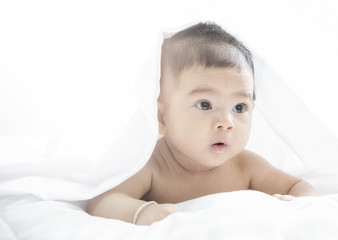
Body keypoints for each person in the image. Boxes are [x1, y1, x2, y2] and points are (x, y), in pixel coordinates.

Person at [87, 22, 317, 225]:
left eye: (239, 107)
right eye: (205, 105)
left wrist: (295, 203)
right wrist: (142, 212)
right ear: (161, 117)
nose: (227, 123)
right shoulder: (153, 166)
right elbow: (103, 201)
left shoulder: (246, 166)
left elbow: (300, 187)